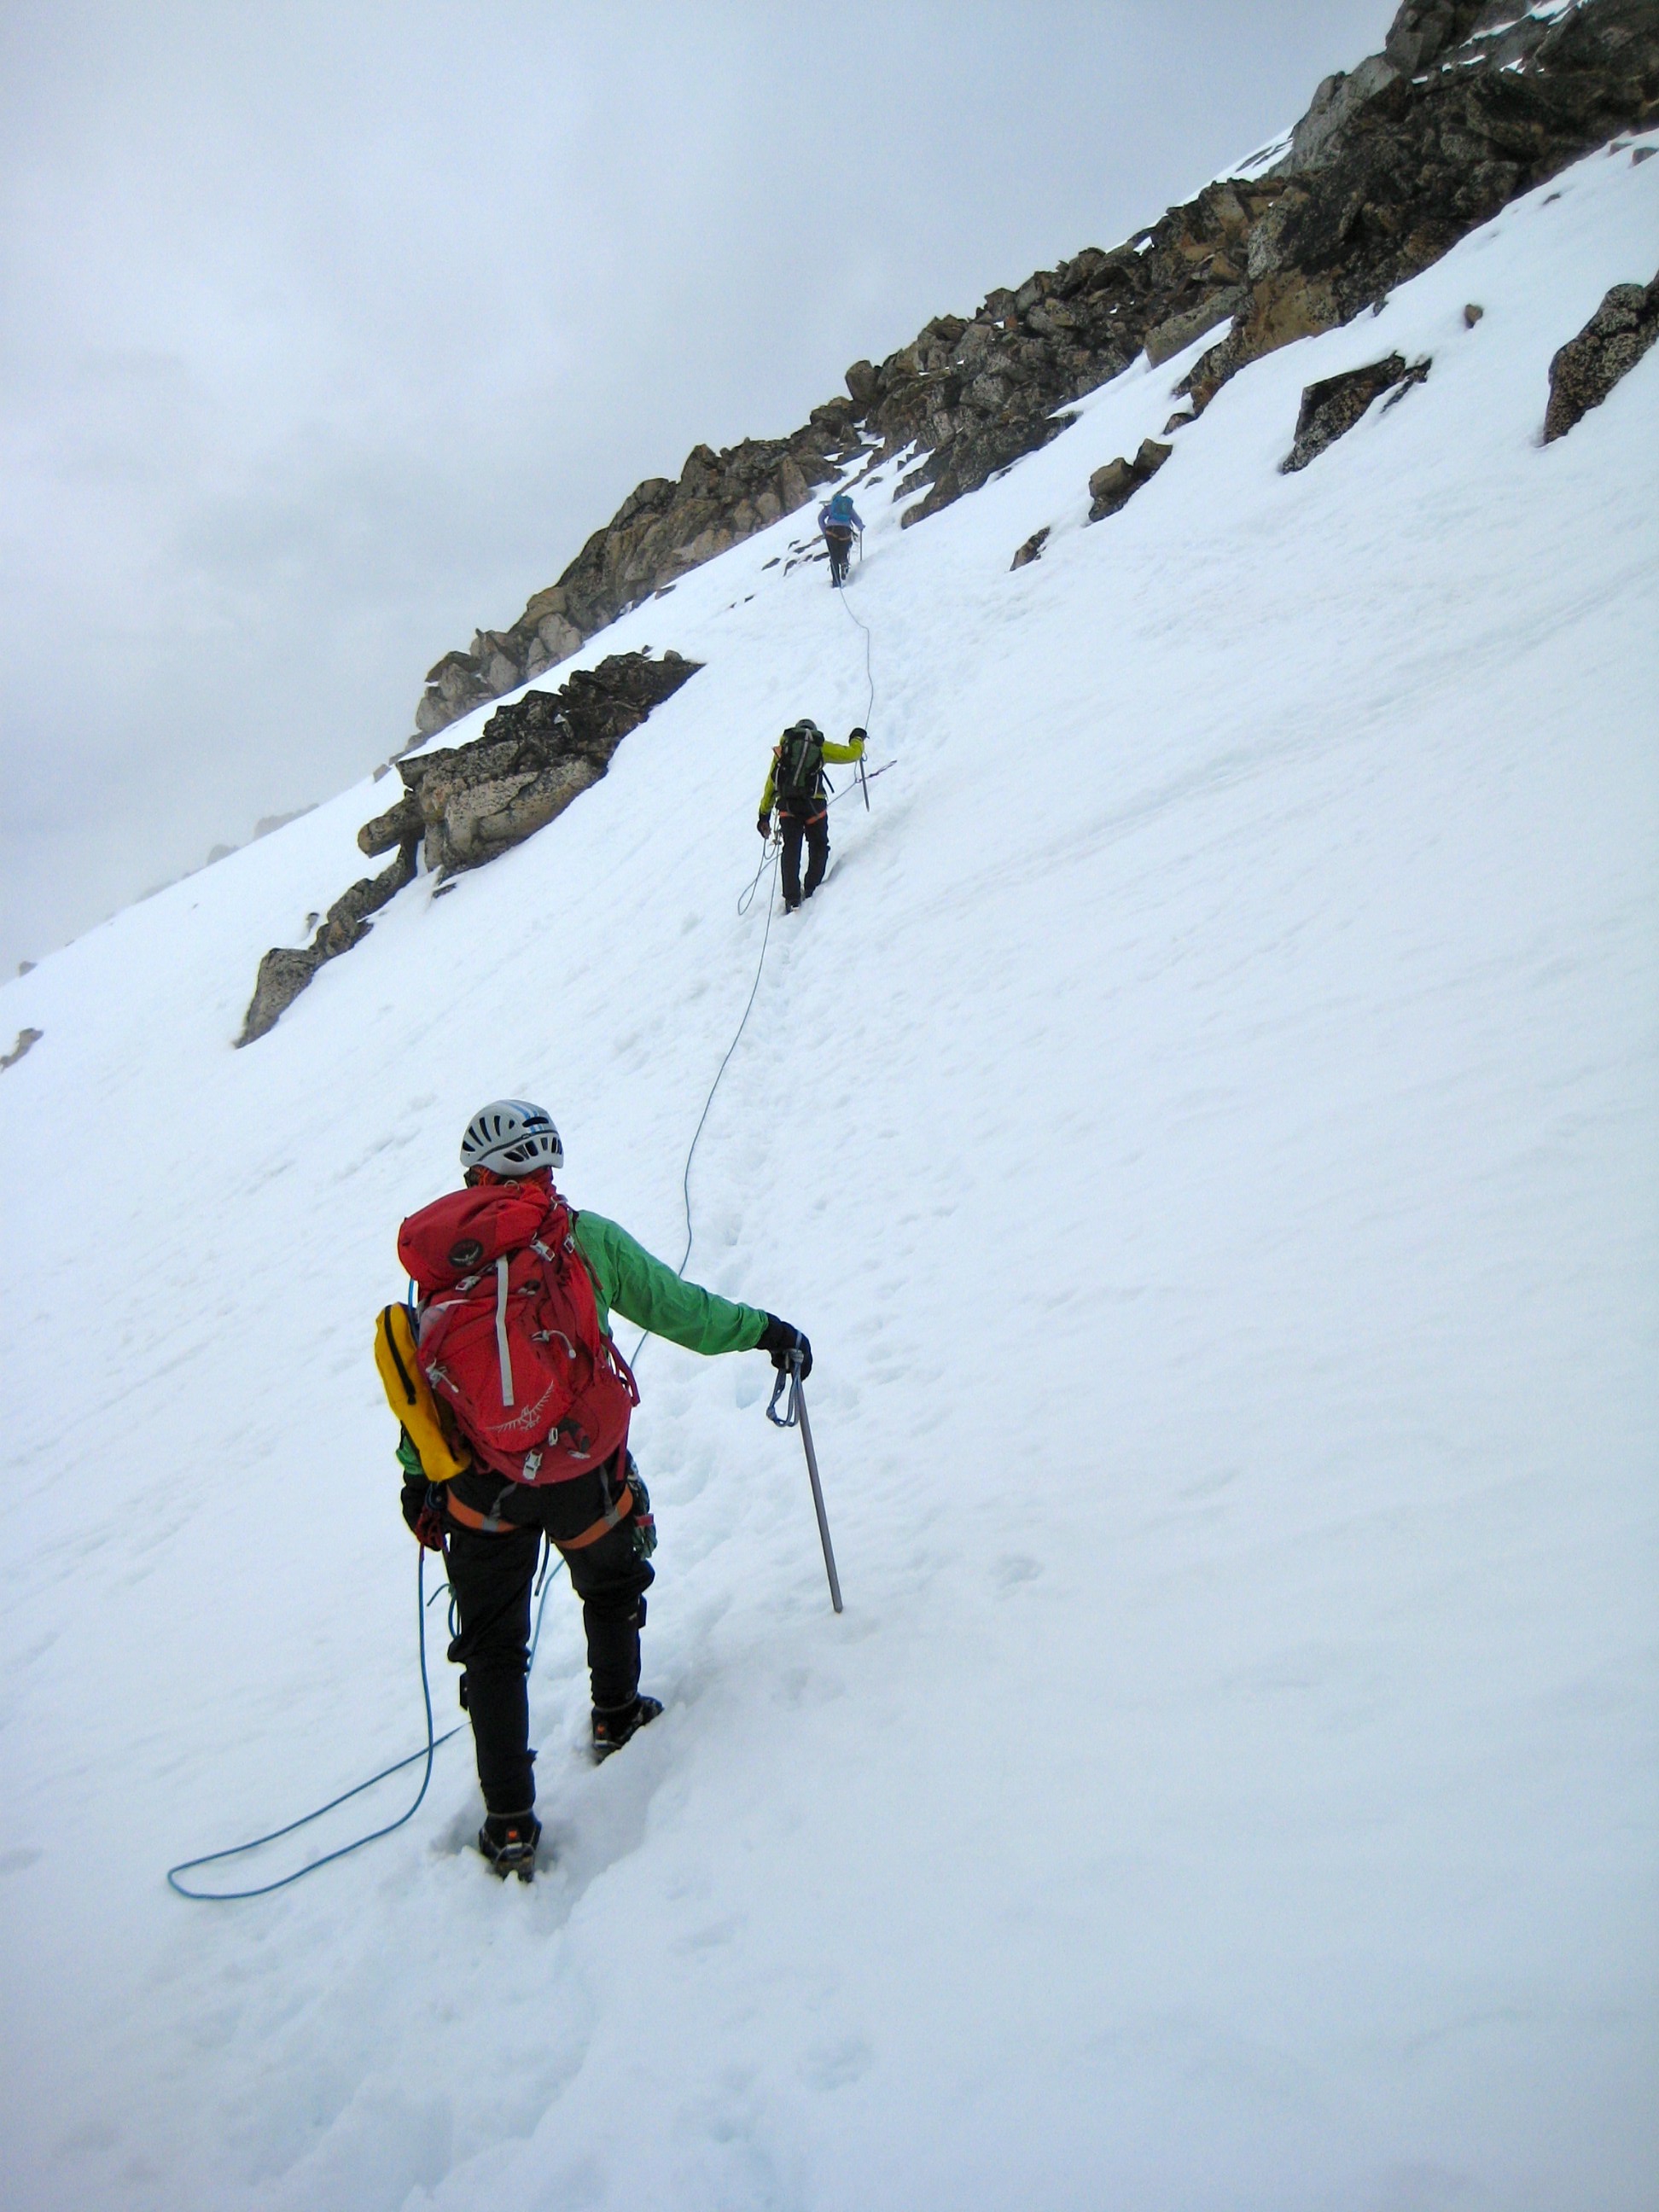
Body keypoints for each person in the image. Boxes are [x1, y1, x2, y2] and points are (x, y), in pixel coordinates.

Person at [396, 1099, 811, 1878]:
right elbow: (680, 1311)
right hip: (584, 1471)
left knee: (492, 1651)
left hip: (479, 1492)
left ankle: (510, 1824)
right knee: (612, 1585)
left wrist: (418, 1481)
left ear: (477, 1174)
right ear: (547, 1164)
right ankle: (617, 1714)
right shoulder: (583, 1240)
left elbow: (421, 1386)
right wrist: (767, 1331)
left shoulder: (441, 1262)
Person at [758, 720, 866, 911]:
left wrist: (764, 815)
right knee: (818, 845)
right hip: (814, 805)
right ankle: (812, 889)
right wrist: (857, 739)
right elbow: (851, 754)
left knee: (791, 849)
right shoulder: (819, 746)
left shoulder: (784, 748)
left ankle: (792, 899)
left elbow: (772, 782)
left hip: (788, 807)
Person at [817, 491, 864, 585]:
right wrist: (860, 526)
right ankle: (844, 561)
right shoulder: (847, 508)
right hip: (845, 532)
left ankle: (836, 582)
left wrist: (825, 531)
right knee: (843, 551)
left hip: (831, 531)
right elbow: (856, 519)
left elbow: (820, 518)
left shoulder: (829, 507)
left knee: (833, 556)